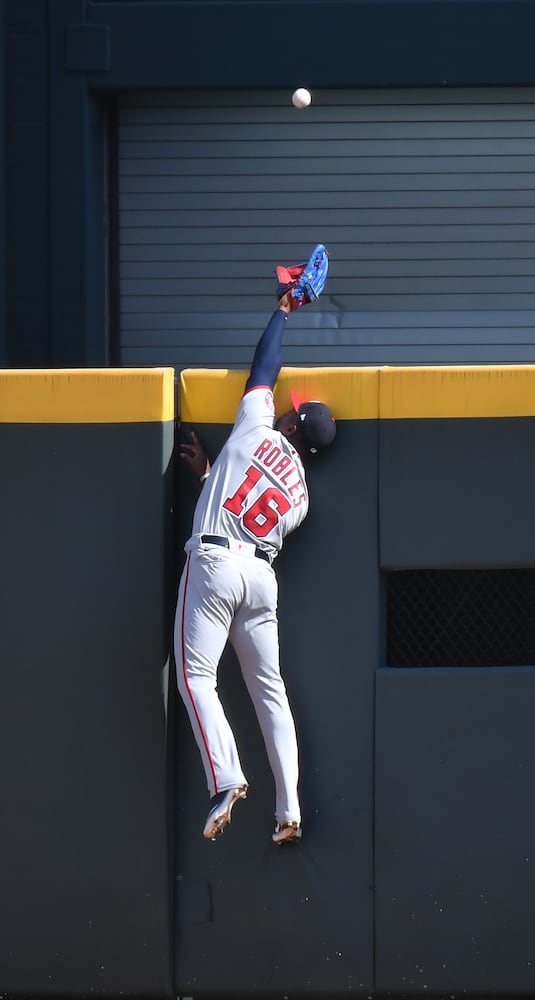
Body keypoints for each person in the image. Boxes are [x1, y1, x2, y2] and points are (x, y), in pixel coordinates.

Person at [174, 244, 336, 846]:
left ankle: (226, 777)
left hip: (217, 563)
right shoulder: (302, 496)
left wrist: (286, 308)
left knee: (195, 676)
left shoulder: (256, 427)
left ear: (292, 424)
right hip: (259, 578)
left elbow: (262, 368)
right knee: (273, 697)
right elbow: (253, 508)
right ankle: (288, 811)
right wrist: (209, 475)